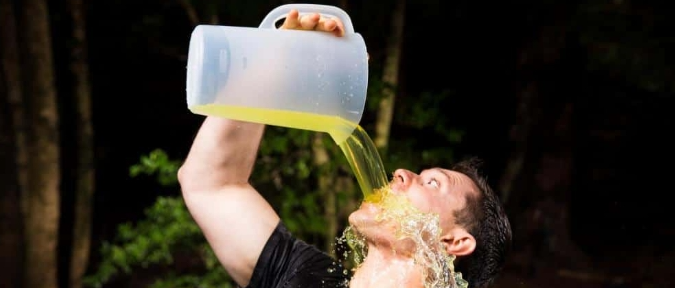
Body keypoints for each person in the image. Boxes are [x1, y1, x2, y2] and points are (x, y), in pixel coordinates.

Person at [177, 9, 512, 288]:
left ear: (453, 242)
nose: (401, 174)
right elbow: (211, 184)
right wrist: (271, 65)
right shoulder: (304, 276)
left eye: (432, 183)